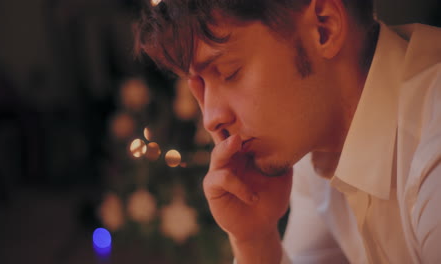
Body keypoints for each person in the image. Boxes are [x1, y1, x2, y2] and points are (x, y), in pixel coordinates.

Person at [135, 0, 441, 263]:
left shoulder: (433, 150)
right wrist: (255, 242)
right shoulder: (317, 154)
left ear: (325, 28)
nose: (211, 119)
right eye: (199, 86)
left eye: (229, 72)